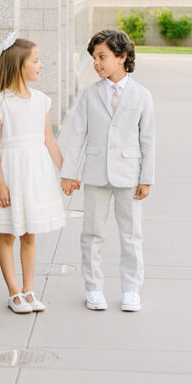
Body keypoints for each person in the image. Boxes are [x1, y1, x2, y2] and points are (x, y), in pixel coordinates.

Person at [0, 33, 65, 313]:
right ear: (19, 65)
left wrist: (66, 173)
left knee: (30, 234)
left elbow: (49, 140)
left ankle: (29, 290)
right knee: (8, 234)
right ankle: (13, 291)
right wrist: (0, 183)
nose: (41, 65)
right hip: (9, 173)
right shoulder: (0, 103)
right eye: (36, 61)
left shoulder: (41, 100)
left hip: (35, 175)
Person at [61, 29, 155, 312]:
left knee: (131, 235)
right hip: (96, 174)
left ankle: (131, 290)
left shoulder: (142, 96)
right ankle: (93, 288)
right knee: (92, 234)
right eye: (94, 58)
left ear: (122, 57)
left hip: (129, 175)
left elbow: (148, 139)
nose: (96, 63)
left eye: (102, 56)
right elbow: (77, 135)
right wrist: (69, 172)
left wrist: (146, 178)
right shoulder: (90, 95)